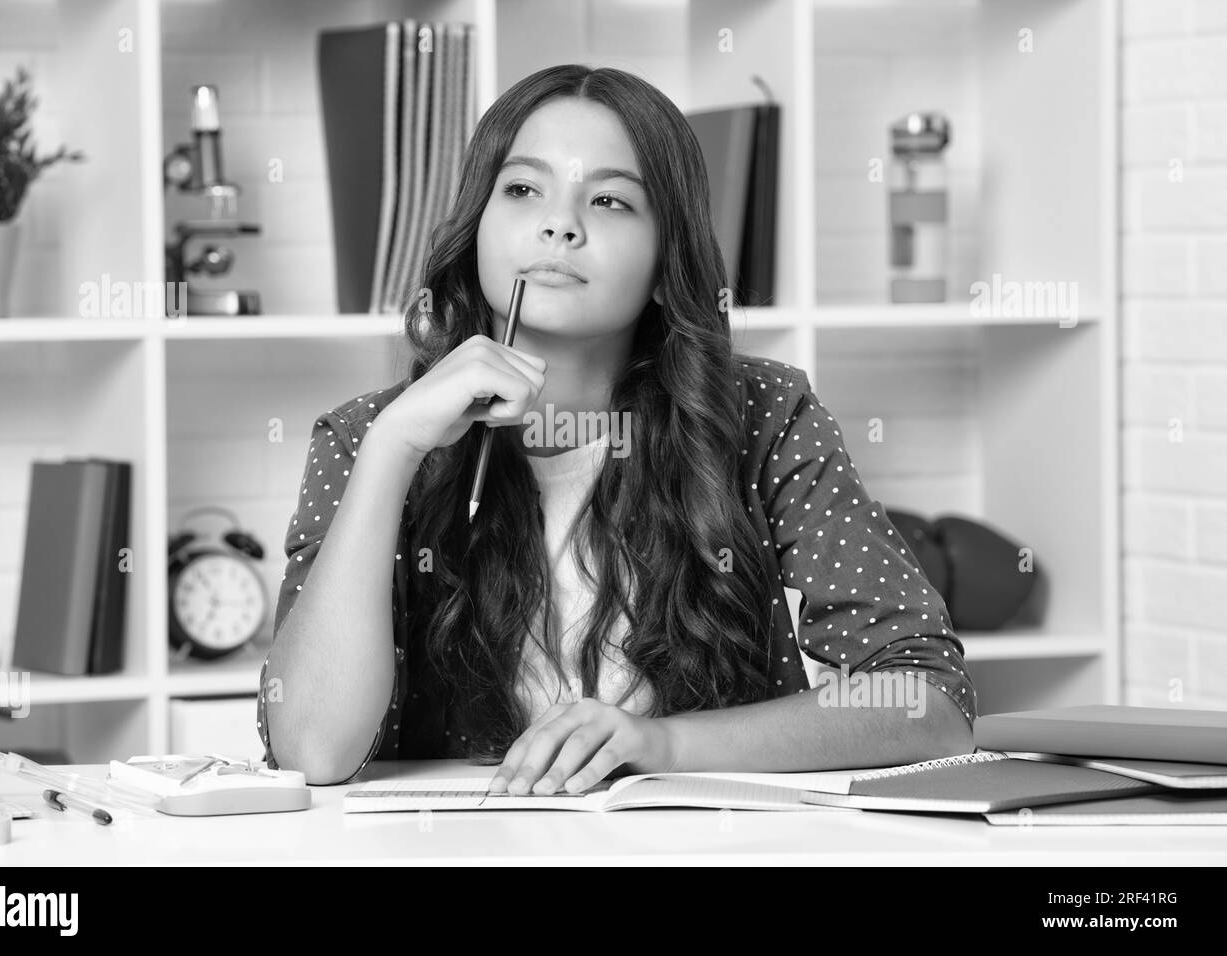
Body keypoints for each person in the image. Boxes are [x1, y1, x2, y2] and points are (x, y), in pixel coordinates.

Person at [258, 64, 977, 792]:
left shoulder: (765, 413)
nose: (559, 223)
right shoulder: (368, 435)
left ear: (668, 263)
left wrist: (659, 744)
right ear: (477, 231)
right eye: (522, 189)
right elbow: (313, 748)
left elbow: (928, 699)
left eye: (608, 199)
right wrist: (393, 451)